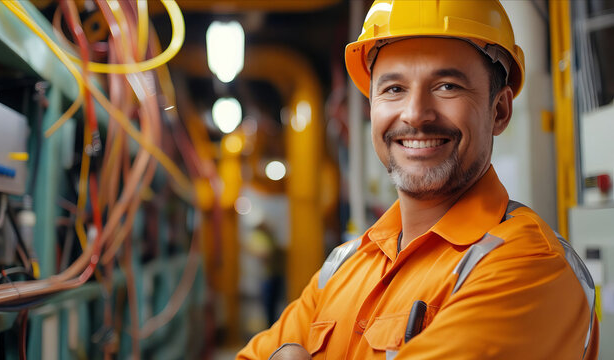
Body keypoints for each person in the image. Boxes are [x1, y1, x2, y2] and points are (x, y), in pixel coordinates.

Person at [237, 1, 599, 359]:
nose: (415, 114)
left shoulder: (528, 267)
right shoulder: (344, 265)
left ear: (499, 110)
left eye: (447, 86)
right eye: (394, 89)